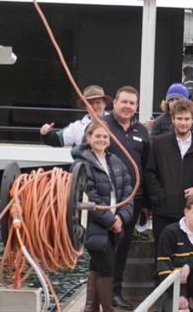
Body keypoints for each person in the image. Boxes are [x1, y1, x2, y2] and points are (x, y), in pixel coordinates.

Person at [73, 121, 134, 312]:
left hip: (115, 223)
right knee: (107, 268)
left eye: (105, 136)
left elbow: (128, 191)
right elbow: (89, 196)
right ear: (88, 138)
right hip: (94, 226)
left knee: (97, 268)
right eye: (97, 136)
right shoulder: (80, 164)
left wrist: (121, 218)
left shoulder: (116, 161)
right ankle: (108, 309)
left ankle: (90, 308)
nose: (101, 139)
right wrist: (110, 220)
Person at [102, 86, 150, 310]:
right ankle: (100, 295)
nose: (128, 106)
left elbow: (147, 167)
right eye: (124, 102)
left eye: (132, 103)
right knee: (103, 246)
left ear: (137, 107)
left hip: (133, 199)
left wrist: (146, 203)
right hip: (107, 198)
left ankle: (115, 293)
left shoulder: (142, 131)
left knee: (122, 246)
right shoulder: (102, 126)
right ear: (115, 103)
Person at [146, 99, 193, 249]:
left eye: (187, 119)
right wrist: (159, 197)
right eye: (179, 119)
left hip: (191, 212)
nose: (183, 123)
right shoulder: (159, 143)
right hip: (163, 211)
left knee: (189, 256)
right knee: (163, 253)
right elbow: (150, 173)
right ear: (172, 119)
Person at [40, 85, 109, 147]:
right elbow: (56, 139)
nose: (95, 106)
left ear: (104, 104)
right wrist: (46, 133)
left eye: (98, 102)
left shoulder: (116, 120)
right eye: (90, 103)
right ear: (85, 107)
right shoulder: (76, 127)